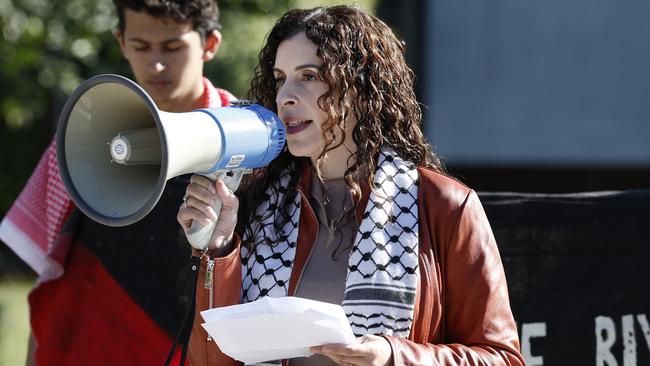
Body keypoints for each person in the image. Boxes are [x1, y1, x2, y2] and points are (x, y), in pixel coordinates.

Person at [178, 5, 525, 366]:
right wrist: (217, 251)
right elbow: (210, 362)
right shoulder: (258, 200)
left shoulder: (444, 205)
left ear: (360, 86)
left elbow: (502, 359)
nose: (285, 97)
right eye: (281, 79)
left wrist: (393, 357)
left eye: (309, 76)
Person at [0, 0, 235, 364]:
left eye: (172, 47)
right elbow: (50, 273)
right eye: (141, 46)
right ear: (121, 42)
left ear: (210, 44)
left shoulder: (241, 144)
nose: (156, 64)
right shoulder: (86, 129)